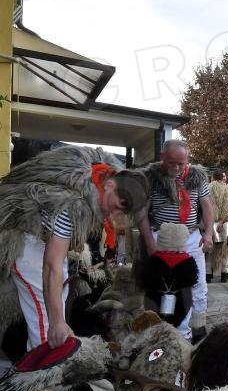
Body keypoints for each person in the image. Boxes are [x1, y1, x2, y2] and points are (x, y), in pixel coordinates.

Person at [0, 145, 149, 350]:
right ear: (110, 185)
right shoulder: (73, 205)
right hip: (26, 244)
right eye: (119, 205)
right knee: (47, 324)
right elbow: (51, 265)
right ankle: (44, 364)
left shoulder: (100, 175)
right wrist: (56, 323)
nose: (118, 214)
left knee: (56, 305)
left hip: (43, 243)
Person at [137, 139, 213, 342]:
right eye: (172, 163)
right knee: (164, 286)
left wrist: (208, 234)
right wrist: (149, 242)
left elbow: (207, 207)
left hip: (191, 237)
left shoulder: (197, 177)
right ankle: (164, 328)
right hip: (162, 239)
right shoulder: (150, 178)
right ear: (163, 157)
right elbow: (141, 213)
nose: (177, 168)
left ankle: (197, 327)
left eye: (182, 163)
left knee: (198, 284)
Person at [206, 170, 228, 283]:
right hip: (225, 222)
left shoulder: (208, 187)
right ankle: (224, 275)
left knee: (209, 249)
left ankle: (208, 275)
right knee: (225, 249)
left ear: (213, 177)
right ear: (222, 178)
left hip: (210, 221)